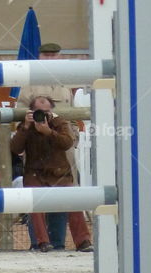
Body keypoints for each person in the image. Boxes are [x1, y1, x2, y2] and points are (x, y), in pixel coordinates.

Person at [14, 41, 82, 249]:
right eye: (47, 55)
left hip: (63, 147)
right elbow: (20, 117)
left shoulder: (64, 85)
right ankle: (39, 242)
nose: (51, 59)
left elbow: (71, 118)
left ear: (59, 57)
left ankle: (58, 242)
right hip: (36, 148)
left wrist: (74, 138)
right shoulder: (28, 85)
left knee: (65, 197)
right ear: (39, 57)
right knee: (37, 198)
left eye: (54, 55)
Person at [9, 96, 93, 253]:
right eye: (38, 112)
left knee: (74, 201)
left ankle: (83, 241)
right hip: (35, 174)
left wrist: (48, 132)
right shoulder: (26, 126)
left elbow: (67, 142)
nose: (42, 116)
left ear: (51, 111)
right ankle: (42, 242)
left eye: (46, 112)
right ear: (31, 112)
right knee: (34, 203)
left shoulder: (59, 122)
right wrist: (26, 127)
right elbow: (15, 148)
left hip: (59, 172)